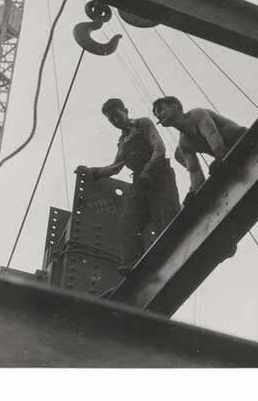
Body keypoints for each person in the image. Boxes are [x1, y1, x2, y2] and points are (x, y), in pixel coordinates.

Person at [75, 98, 181, 276]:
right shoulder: (123, 141)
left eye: (117, 115)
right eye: (111, 120)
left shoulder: (142, 124)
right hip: (140, 181)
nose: (115, 121)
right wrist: (91, 171)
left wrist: (149, 169)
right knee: (128, 222)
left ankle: (173, 257)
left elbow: (159, 148)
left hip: (159, 175)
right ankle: (133, 264)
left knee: (164, 218)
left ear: (125, 110)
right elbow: (115, 167)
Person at [152, 96, 258, 218]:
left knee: (224, 169)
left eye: (160, 109)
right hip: (229, 157)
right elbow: (194, 170)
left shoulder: (196, 114)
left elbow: (211, 131)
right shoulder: (184, 144)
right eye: (156, 114)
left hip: (242, 140)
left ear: (174, 106)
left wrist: (220, 154)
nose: (158, 114)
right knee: (234, 176)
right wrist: (195, 193)